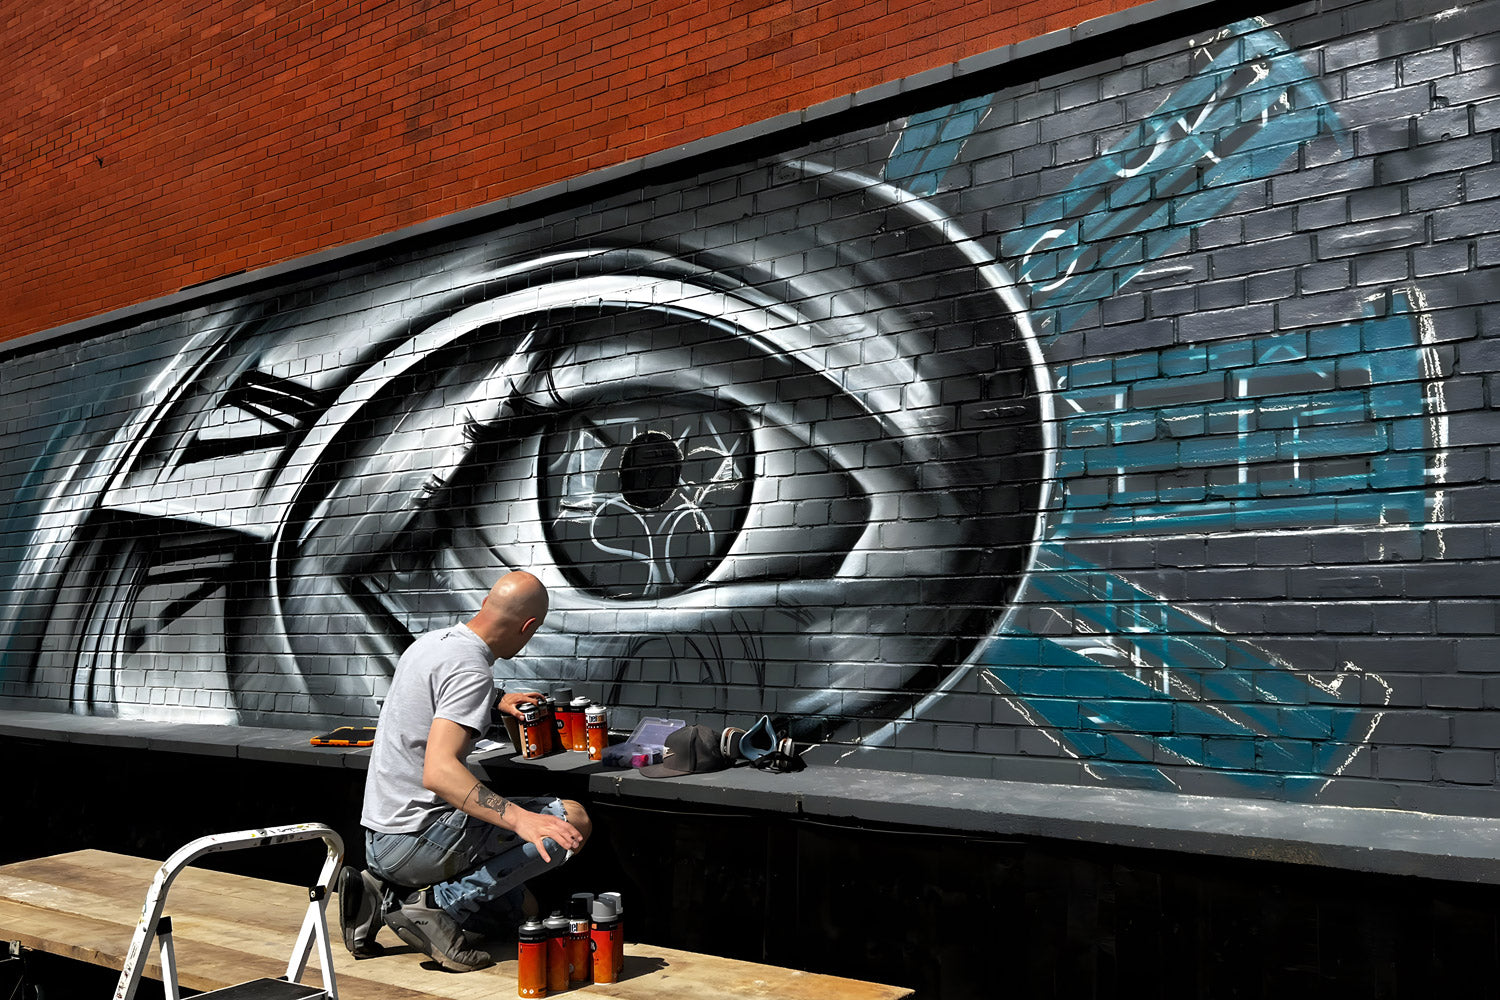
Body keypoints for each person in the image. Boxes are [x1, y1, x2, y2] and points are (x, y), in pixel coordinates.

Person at [339, 570, 591, 972]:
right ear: (528, 627)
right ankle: (435, 906)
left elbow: (447, 688)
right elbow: (439, 772)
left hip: (378, 838)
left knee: (522, 914)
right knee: (568, 822)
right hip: (415, 838)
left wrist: (499, 699)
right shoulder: (472, 669)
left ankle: (382, 891)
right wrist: (522, 820)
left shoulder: (432, 645)